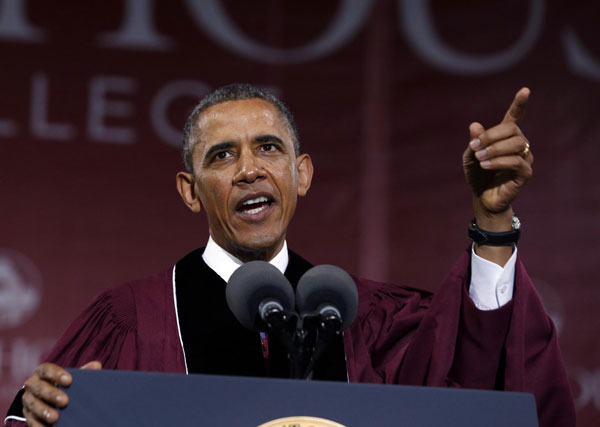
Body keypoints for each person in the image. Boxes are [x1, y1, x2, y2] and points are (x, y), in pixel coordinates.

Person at [5, 84, 574, 427]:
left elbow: (475, 392)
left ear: (300, 175)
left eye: (269, 148)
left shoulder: (374, 324)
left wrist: (493, 222)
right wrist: (41, 410)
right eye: (223, 155)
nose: (250, 168)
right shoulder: (129, 319)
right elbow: (42, 414)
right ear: (189, 189)